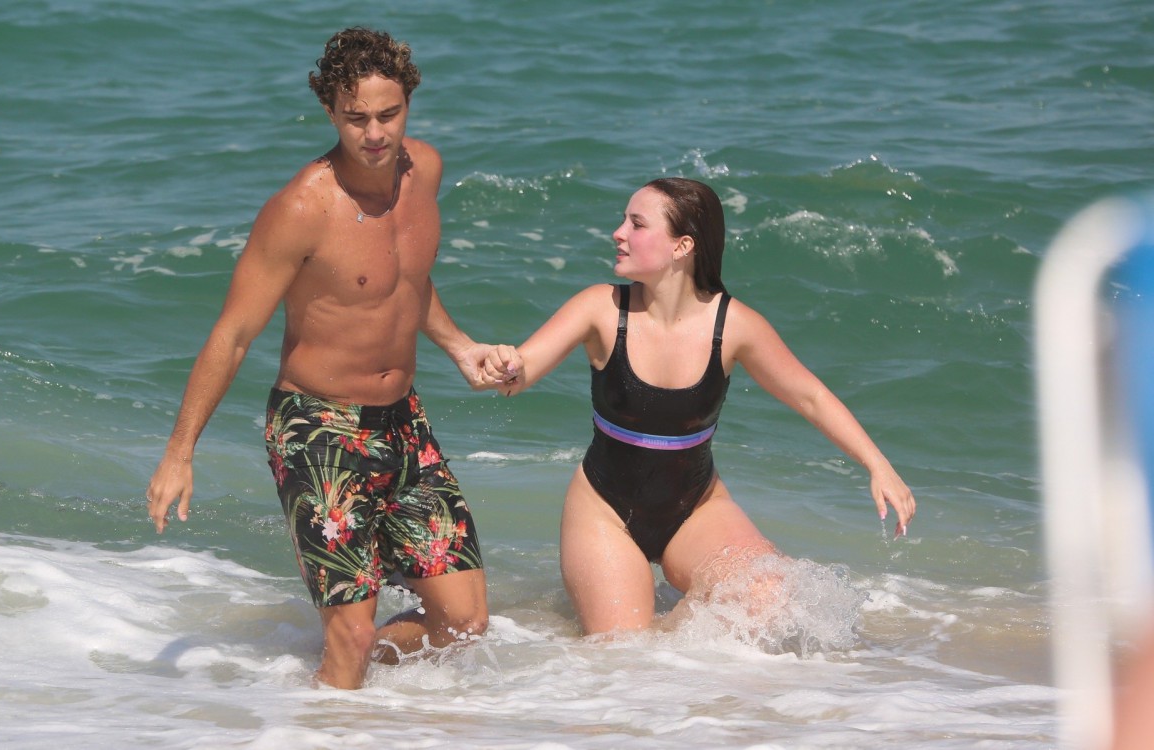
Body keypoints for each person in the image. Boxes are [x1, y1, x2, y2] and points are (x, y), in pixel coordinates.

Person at [145, 27, 518, 689]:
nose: (374, 134)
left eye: (388, 114)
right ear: (329, 112)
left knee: (464, 622)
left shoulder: (424, 169)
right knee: (347, 634)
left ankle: (343, 699)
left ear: (408, 103)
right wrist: (180, 451)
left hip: (404, 423)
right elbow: (232, 336)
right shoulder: (300, 210)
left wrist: (461, 348)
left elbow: (405, 281)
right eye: (356, 119)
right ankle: (333, 699)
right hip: (317, 430)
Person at [488, 177, 916, 634]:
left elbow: (810, 396)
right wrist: (502, 365)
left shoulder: (735, 325)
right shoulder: (600, 307)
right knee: (622, 652)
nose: (618, 233)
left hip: (696, 508)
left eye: (636, 223)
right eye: (623, 221)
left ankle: (680, 639)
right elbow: (519, 373)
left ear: (682, 246)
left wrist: (878, 465)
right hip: (604, 509)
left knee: (772, 598)